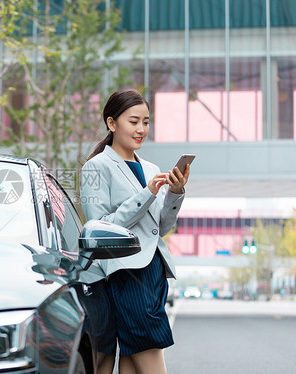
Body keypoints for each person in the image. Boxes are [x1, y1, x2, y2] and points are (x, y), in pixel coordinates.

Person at [80, 89, 190, 374]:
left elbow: (160, 228)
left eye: (146, 121)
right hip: (126, 273)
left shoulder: (150, 167)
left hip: (153, 271)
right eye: (133, 121)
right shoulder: (96, 167)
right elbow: (99, 228)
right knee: (149, 349)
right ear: (112, 123)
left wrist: (175, 193)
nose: (141, 129)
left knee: (132, 359)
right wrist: (146, 194)